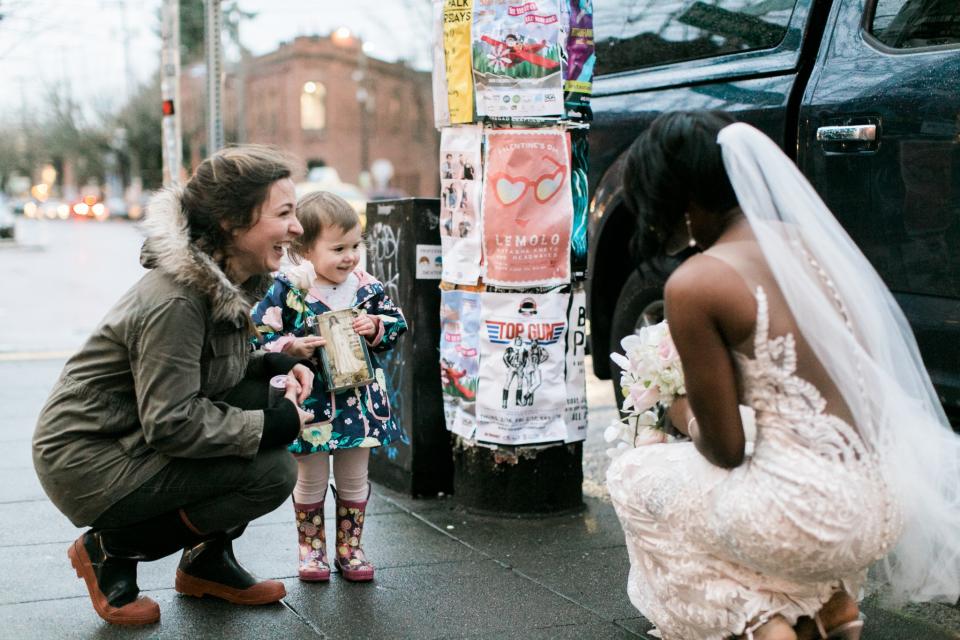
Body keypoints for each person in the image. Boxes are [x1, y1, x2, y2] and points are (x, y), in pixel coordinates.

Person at [606, 111, 960, 640]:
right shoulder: (811, 244)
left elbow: (724, 448)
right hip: (885, 501)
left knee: (634, 476)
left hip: (804, 516)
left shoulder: (696, 283)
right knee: (744, 493)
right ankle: (832, 603)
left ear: (681, 199)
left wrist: (678, 412)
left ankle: (759, 620)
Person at [32, 145, 317, 626]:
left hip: (130, 436)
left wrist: (271, 363)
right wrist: (274, 424)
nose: (297, 228)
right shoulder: (179, 301)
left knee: (260, 407)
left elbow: (206, 373)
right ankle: (109, 549)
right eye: (284, 213)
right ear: (232, 222)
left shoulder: (222, 278)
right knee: (271, 472)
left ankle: (206, 563)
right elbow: (173, 422)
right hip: (88, 457)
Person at [251, 190, 406, 583]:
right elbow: (259, 333)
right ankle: (312, 550)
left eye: (356, 245)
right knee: (311, 478)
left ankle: (350, 550)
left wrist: (376, 328)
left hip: (360, 403)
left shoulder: (366, 287)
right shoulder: (289, 289)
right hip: (311, 402)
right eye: (338, 248)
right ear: (304, 250)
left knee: (354, 476)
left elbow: (396, 324)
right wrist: (290, 347)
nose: (350, 256)